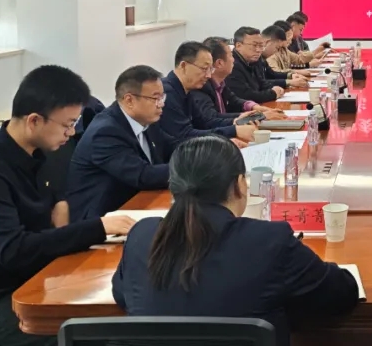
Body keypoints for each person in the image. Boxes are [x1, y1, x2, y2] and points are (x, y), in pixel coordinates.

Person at [0, 65, 136, 346]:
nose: (71, 133)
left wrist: (64, 214)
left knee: (120, 307)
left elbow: (55, 209)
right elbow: (14, 250)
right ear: (34, 120)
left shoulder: (35, 155)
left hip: (31, 280)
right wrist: (98, 228)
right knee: (93, 334)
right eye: (67, 124)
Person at [112, 136, 358, 346]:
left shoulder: (141, 236)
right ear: (240, 184)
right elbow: (340, 294)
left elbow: (123, 295)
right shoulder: (269, 242)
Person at [67, 65, 172, 221]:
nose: (161, 104)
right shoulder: (105, 132)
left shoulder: (147, 120)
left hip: (134, 204)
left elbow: (173, 146)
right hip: (100, 218)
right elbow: (143, 175)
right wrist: (193, 169)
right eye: (155, 98)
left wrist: (202, 154)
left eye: (162, 97)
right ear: (129, 100)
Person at [158, 41, 254, 152]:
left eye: (210, 69)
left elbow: (205, 123)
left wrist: (236, 122)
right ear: (184, 66)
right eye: (204, 69)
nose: (208, 75)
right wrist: (233, 131)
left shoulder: (186, 89)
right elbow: (184, 135)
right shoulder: (167, 93)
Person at [190, 37, 285, 122]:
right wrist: (258, 116)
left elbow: (234, 100)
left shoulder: (220, 83)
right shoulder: (202, 86)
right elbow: (212, 118)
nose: (233, 59)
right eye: (231, 55)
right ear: (219, 63)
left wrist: (255, 107)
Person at [226, 27, 293, 104]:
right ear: (239, 46)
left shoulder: (253, 60)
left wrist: (274, 88)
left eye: (261, 46)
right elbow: (245, 95)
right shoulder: (232, 65)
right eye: (254, 45)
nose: (258, 50)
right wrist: (273, 93)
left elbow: (262, 83)